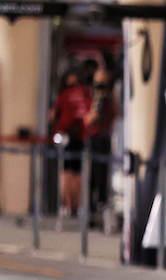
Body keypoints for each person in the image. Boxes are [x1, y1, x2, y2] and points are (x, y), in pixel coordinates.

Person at [48, 67, 93, 216]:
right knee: (79, 173)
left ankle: (68, 206)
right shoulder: (85, 93)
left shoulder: (65, 93)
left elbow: (53, 114)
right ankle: (79, 206)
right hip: (81, 135)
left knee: (66, 172)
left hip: (65, 136)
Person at [83, 67, 116, 216]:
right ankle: (90, 210)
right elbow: (88, 120)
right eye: (98, 82)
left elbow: (114, 116)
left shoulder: (110, 98)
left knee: (103, 176)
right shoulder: (90, 97)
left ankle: (102, 207)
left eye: (104, 82)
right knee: (91, 177)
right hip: (93, 139)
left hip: (104, 138)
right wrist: (96, 102)